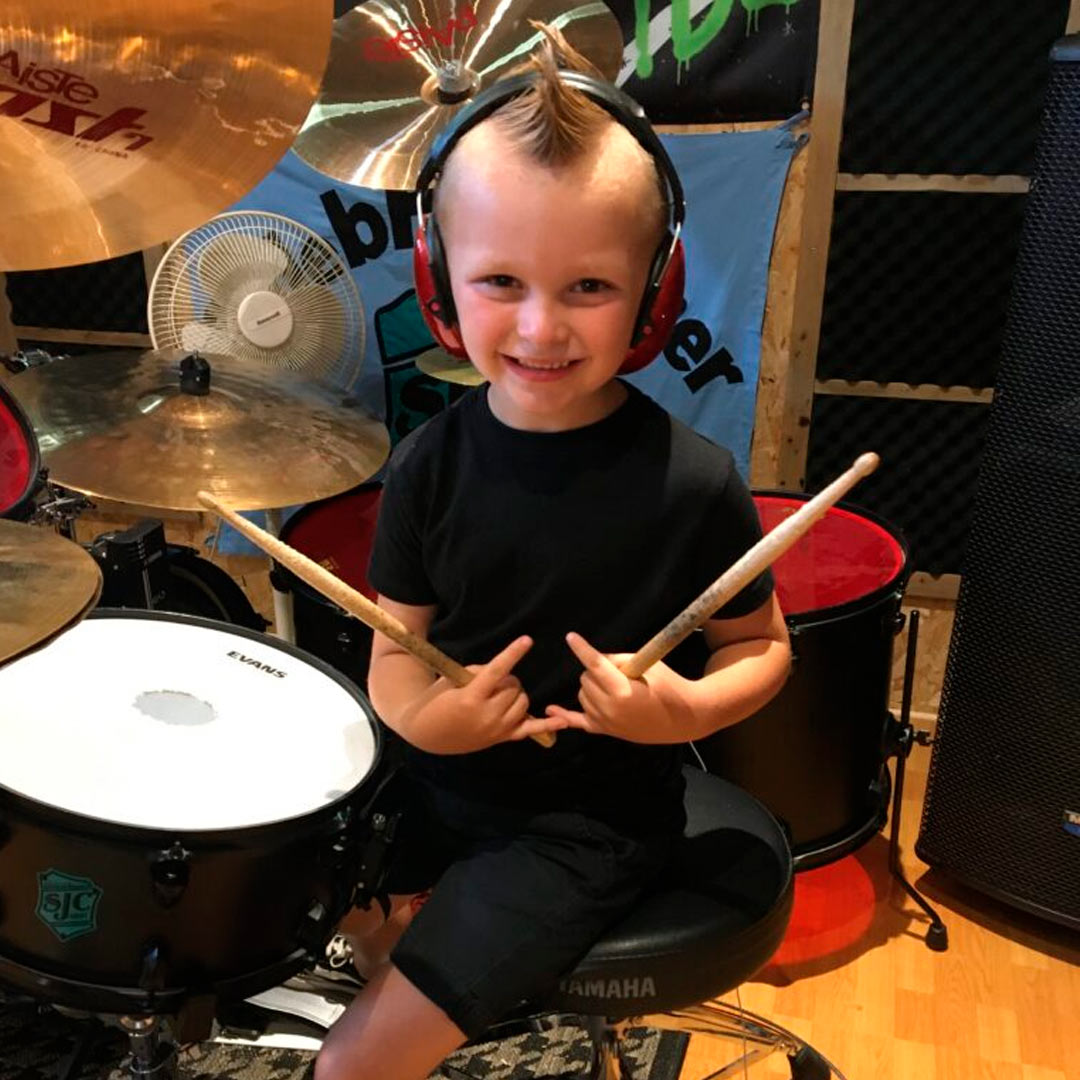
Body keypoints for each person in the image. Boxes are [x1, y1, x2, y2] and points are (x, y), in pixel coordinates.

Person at [314, 26, 791, 1080]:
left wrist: (684, 711)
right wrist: (426, 718)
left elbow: (760, 646)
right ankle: (402, 943)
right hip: (428, 782)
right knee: (269, 875)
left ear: (657, 290)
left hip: (585, 828)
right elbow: (395, 652)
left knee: (349, 1068)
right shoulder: (426, 465)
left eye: (589, 288)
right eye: (500, 281)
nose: (540, 328)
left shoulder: (692, 480)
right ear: (439, 281)